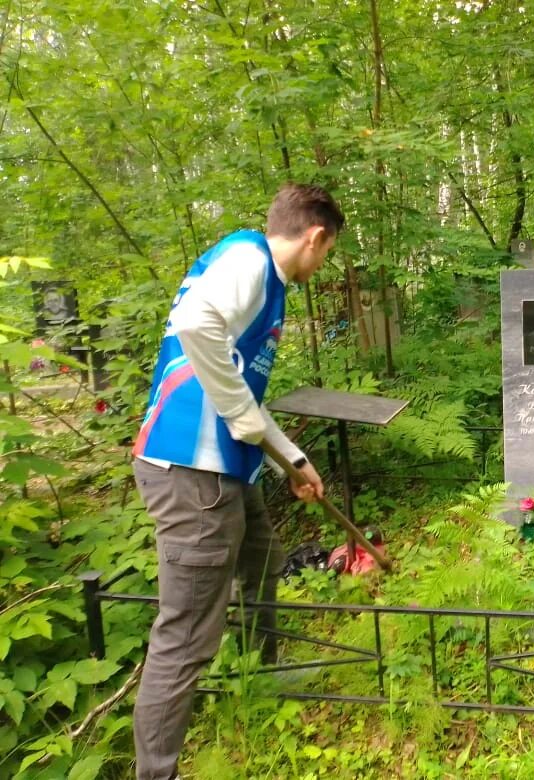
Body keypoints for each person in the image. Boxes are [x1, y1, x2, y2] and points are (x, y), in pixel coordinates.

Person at [131, 183, 344, 780]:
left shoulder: (265, 283)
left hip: (225, 468)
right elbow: (196, 324)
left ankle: (261, 675)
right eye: (326, 254)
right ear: (315, 236)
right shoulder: (250, 259)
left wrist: (291, 460)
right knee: (186, 638)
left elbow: (241, 395)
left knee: (262, 561)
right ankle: (157, 773)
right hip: (191, 474)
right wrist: (247, 422)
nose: (321, 266)